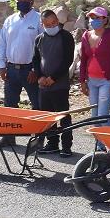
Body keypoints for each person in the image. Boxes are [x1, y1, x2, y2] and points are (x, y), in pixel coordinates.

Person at [0, 0, 43, 145]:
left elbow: (43, 47)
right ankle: (9, 137)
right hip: (11, 69)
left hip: (30, 70)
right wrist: (1, 65)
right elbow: (2, 43)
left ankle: (38, 138)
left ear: (32, 2)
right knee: (9, 105)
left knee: (37, 104)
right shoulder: (10, 20)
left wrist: (36, 70)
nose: (21, 2)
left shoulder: (38, 20)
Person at [79, 6, 110, 148]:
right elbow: (84, 60)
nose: (94, 20)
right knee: (94, 118)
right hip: (91, 81)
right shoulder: (86, 36)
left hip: (106, 81)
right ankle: (101, 148)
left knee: (103, 116)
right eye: (92, 17)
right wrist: (82, 81)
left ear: (105, 20)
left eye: (98, 17)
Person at [33, 9, 76, 157]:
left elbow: (67, 60)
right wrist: (40, 77)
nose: (52, 26)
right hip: (43, 86)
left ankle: (66, 146)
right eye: (48, 24)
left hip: (60, 85)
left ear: (57, 21)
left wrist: (53, 78)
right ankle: (52, 143)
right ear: (42, 24)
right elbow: (36, 60)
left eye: (54, 23)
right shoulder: (39, 39)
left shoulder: (66, 37)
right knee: (47, 116)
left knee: (63, 115)